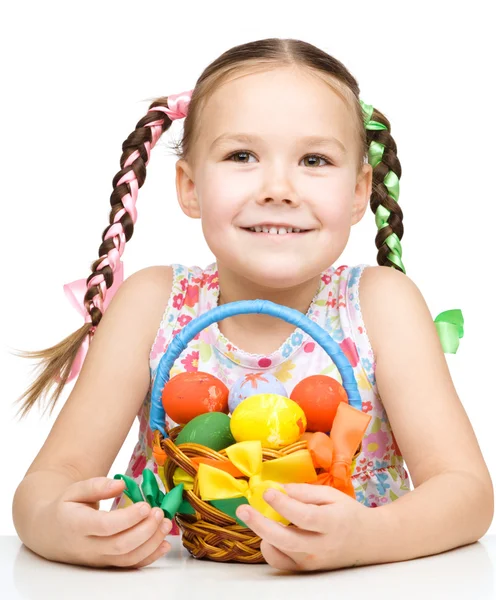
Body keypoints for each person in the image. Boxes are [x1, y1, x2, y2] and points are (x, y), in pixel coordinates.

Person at [11, 37, 493, 572]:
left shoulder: (382, 305)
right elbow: (51, 480)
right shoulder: (151, 303)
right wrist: (56, 524)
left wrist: (370, 537)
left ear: (359, 192)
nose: (278, 188)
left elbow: (467, 493)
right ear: (190, 186)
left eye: (315, 159)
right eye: (242, 156)